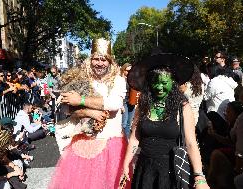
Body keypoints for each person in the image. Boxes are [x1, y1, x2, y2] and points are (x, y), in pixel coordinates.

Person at [120, 54, 210, 189]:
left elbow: (191, 143)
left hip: (171, 171)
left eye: (164, 83)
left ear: (173, 82)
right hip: (145, 170)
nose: (159, 87)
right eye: (155, 82)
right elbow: (134, 138)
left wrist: (199, 177)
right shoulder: (143, 105)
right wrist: (126, 164)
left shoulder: (183, 107)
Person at [48, 38, 127, 189]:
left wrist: (81, 99)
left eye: (104, 60)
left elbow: (114, 103)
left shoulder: (118, 80)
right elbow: (65, 108)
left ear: (110, 62)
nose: (99, 63)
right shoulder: (81, 79)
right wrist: (89, 112)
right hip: (84, 141)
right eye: (96, 59)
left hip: (111, 142)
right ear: (90, 60)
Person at [120, 63, 138, 139]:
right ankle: (121, 140)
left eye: (131, 70)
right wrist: (120, 105)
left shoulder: (132, 79)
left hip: (131, 102)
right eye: (127, 70)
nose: (129, 72)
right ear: (123, 70)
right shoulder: (120, 80)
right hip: (123, 102)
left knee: (128, 123)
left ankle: (126, 140)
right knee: (123, 123)